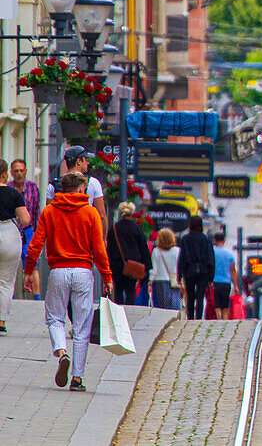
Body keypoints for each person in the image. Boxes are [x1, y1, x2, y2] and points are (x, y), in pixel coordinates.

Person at [23, 172, 113, 392]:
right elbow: (99, 249)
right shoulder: (90, 213)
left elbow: (36, 243)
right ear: (82, 188)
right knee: (82, 327)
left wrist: (29, 270)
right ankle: (78, 378)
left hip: (58, 271)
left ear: (62, 189)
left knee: (55, 318)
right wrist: (107, 276)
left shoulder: (50, 211)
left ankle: (62, 352)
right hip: (83, 272)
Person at [0, 160, 31, 334]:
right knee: (5, 282)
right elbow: (26, 219)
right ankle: (1, 321)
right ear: (5, 174)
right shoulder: (13, 194)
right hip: (10, 235)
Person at [47, 147, 106, 237]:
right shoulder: (93, 183)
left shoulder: (53, 185)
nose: (88, 162)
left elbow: (48, 217)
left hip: (61, 236)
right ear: (78, 161)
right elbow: (101, 215)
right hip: (84, 234)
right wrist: (103, 238)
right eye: (85, 159)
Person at [106, 201, 152, 306]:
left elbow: (109, 249)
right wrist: (147, 267)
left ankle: (118, 311)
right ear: (131, 213)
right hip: (133, 265)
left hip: (116, 265)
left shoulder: (113, 228)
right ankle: (129, 311)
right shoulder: (136, 228)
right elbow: (143, 248)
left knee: (118, 290)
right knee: (130, 290)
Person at [10, 158, 42, 299]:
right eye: (16, 171)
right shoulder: (7, 188)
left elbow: (36, 211)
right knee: (10, 264)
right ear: (11, 173)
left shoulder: (32, 187)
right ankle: (10, 296)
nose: (19, 174)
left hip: (28, 230)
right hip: (11, 230)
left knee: (32, 262)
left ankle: (37, 298)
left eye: (21, 171)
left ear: (26, 171)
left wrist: (36, 233)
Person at [176, 215, 214, 320]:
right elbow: (210, 258)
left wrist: (179, 275)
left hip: (189, 270)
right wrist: (211, 277)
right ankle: (198, 317)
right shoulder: (206, 239)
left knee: (190, 295)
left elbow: (181, 257)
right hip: (203, 271)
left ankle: (190, 316)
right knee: (200, 296)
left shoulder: (185, 239)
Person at [150, 228, 181, 311]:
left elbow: (154, 269)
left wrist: (150, 281)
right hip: (174, 280)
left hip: (159, 280)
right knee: (175, 303)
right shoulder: (177, 250)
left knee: (162, 306)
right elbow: (179, 267)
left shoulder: (156, 251)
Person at [211, 230, 239, 321]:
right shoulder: (230, 254)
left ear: (214, 240)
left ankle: (217, 321)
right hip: (226, 283)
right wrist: (236, 285)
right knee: (225, 306)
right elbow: (233, 270)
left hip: (214, 282)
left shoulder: (211, 252)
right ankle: (225, 322)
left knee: (216, 305)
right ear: (224, 241)